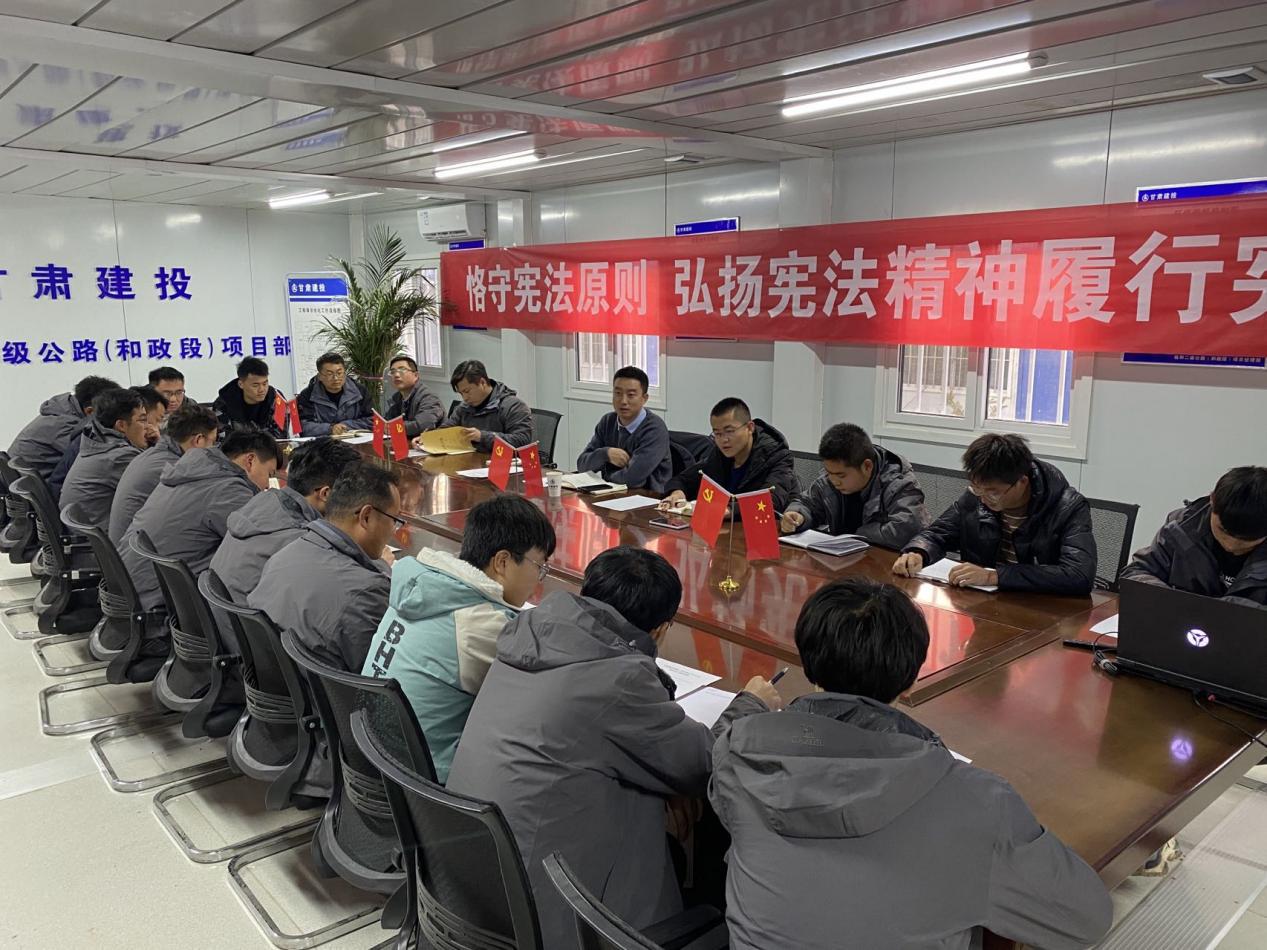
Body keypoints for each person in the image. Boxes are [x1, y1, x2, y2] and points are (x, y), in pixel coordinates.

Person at [709, 576, 1112, 950]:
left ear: (809, 664)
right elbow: (1085, 919)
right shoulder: (976, 800)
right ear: (912, 678)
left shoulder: (740, 755)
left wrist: (748, 709)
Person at [447, 546, 779, 949]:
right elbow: (703, 761)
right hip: (545, 914)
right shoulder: (617, 678)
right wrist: (750, 705)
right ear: (660, 629)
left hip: (473, 889)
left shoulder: (531, 634)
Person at [362, 495, 557, 783]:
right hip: (425, 784)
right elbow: (546, 698)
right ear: (503, 561)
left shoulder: (422, 585)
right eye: (539, 567)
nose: (539, 581)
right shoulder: (482, 624)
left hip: (374, 760)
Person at [893, 434, 1096, 595]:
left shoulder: (1067, 507)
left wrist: (994, 576)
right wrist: (918, 552)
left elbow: (1078, 574)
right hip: (984, 605)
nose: (983, 499)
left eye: (993, 492)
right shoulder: (976, 498)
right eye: (976, 488)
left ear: (1022, 482)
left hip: (1042, 612)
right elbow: (936, 534)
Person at [249, 464, 400, 672]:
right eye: (394, 521)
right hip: (323, 692)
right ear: (366, 516)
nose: (394, 531)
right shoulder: (367, 592)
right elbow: (382, 675)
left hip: (274, 684)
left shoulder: (285, 554)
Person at [121, 430, 282, 616]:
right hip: (161, 605)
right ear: (250, 460)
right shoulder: (228, 490)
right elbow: (267, 546)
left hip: (136, 589)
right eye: (269, 474)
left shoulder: (192, 472)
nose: (268, 485)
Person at [210, 437, 362, 604]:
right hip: (250, 616)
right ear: (326, 494)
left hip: (228, 614)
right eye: (354, 493)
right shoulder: (303, 541)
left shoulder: (262, 504)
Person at [1122, 466, 1267, 607]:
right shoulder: (1181, 527)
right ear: (1212, 500)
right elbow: (1136, 573)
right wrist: (1168, 599)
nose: (1231, 545)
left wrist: (1231, 610)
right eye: (1223, 530)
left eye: (1248, 539)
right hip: (1178, 619)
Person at [781, 423, 929, 549]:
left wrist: (856, 535)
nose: (834, 481)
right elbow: (807, 503)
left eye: (841, 476)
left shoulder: (899, 484)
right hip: (841, 559)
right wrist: (798, 515)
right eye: (829, 472)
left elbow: (906, 530)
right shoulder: (831, 479)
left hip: (886, 564)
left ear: (867, 467)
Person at [660, 397, 798, 516]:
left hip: (765, 531)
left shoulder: (778, 456)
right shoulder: (719, 455)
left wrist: (727, 511)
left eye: (730, 431)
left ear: (750, 427)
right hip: (725, 530)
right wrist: (677, 494)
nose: (723, 440)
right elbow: (684, 479)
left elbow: (771, 501)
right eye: (717, 433)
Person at [109, 404, 220, 545]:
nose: (213, 449)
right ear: (198, 440)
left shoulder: (154, 455)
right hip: (138, 550)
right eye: (213, 442)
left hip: (129, 547)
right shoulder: (175, 471)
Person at [58, 388, 150, 529]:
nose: (148, 427)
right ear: (121, 425)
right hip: (103, 538)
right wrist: (160, 446)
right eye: (142, 420)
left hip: (87, 533)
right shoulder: (118, 457)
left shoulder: (97, 443)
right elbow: (160, 490)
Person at [575, 366, 672, 493]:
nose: (623, 401)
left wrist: (605, 480)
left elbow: (632, 479)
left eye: (631, 395)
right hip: (612, 495)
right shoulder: (608, 422)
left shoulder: (654, 429)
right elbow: (582, 465)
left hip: (648, 498)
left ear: (644, 398)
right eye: (618, 393)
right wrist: (605, 454)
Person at [7, 375, 118, 480]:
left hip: (29, 483)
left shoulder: (61, 413)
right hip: (42, 486)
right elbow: (99, 458)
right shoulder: (65, 426)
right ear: (90, 411)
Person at [440, 359, 534, 452]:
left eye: (467, 391)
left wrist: (482, 437)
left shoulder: (513, 406)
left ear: (482, 382)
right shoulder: (464, 407)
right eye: (461, 393)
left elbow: (521, 441)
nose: (465, 398)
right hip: (469, 459)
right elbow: (446, 430)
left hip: (501, 460)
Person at [296, 352, 373, 436]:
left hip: (355, 440)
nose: (336, 378)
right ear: (320, 376)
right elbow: (303, 427)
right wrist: (330, 428)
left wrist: (345, 426)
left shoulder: (360, 391)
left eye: (339, 373)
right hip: (323, 441)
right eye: (330, 374)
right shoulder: (308, 395)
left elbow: (372, 420)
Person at [213, 357, 287, 437]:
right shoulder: (223, 403)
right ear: (241, 384)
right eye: (255, 385)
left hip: (268, 444)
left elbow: (281, 436)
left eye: (265, 384)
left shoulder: (277, 399)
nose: (262, 389)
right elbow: (223, 439)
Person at [385, 355, 445, 438]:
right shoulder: (397, 397)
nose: (396, 375)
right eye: (393, 372)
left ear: (416, 375)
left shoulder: (428, 397)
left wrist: (394, 427)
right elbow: (388, 420)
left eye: (402, 370)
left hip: (430, 443)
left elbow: (423, 425)